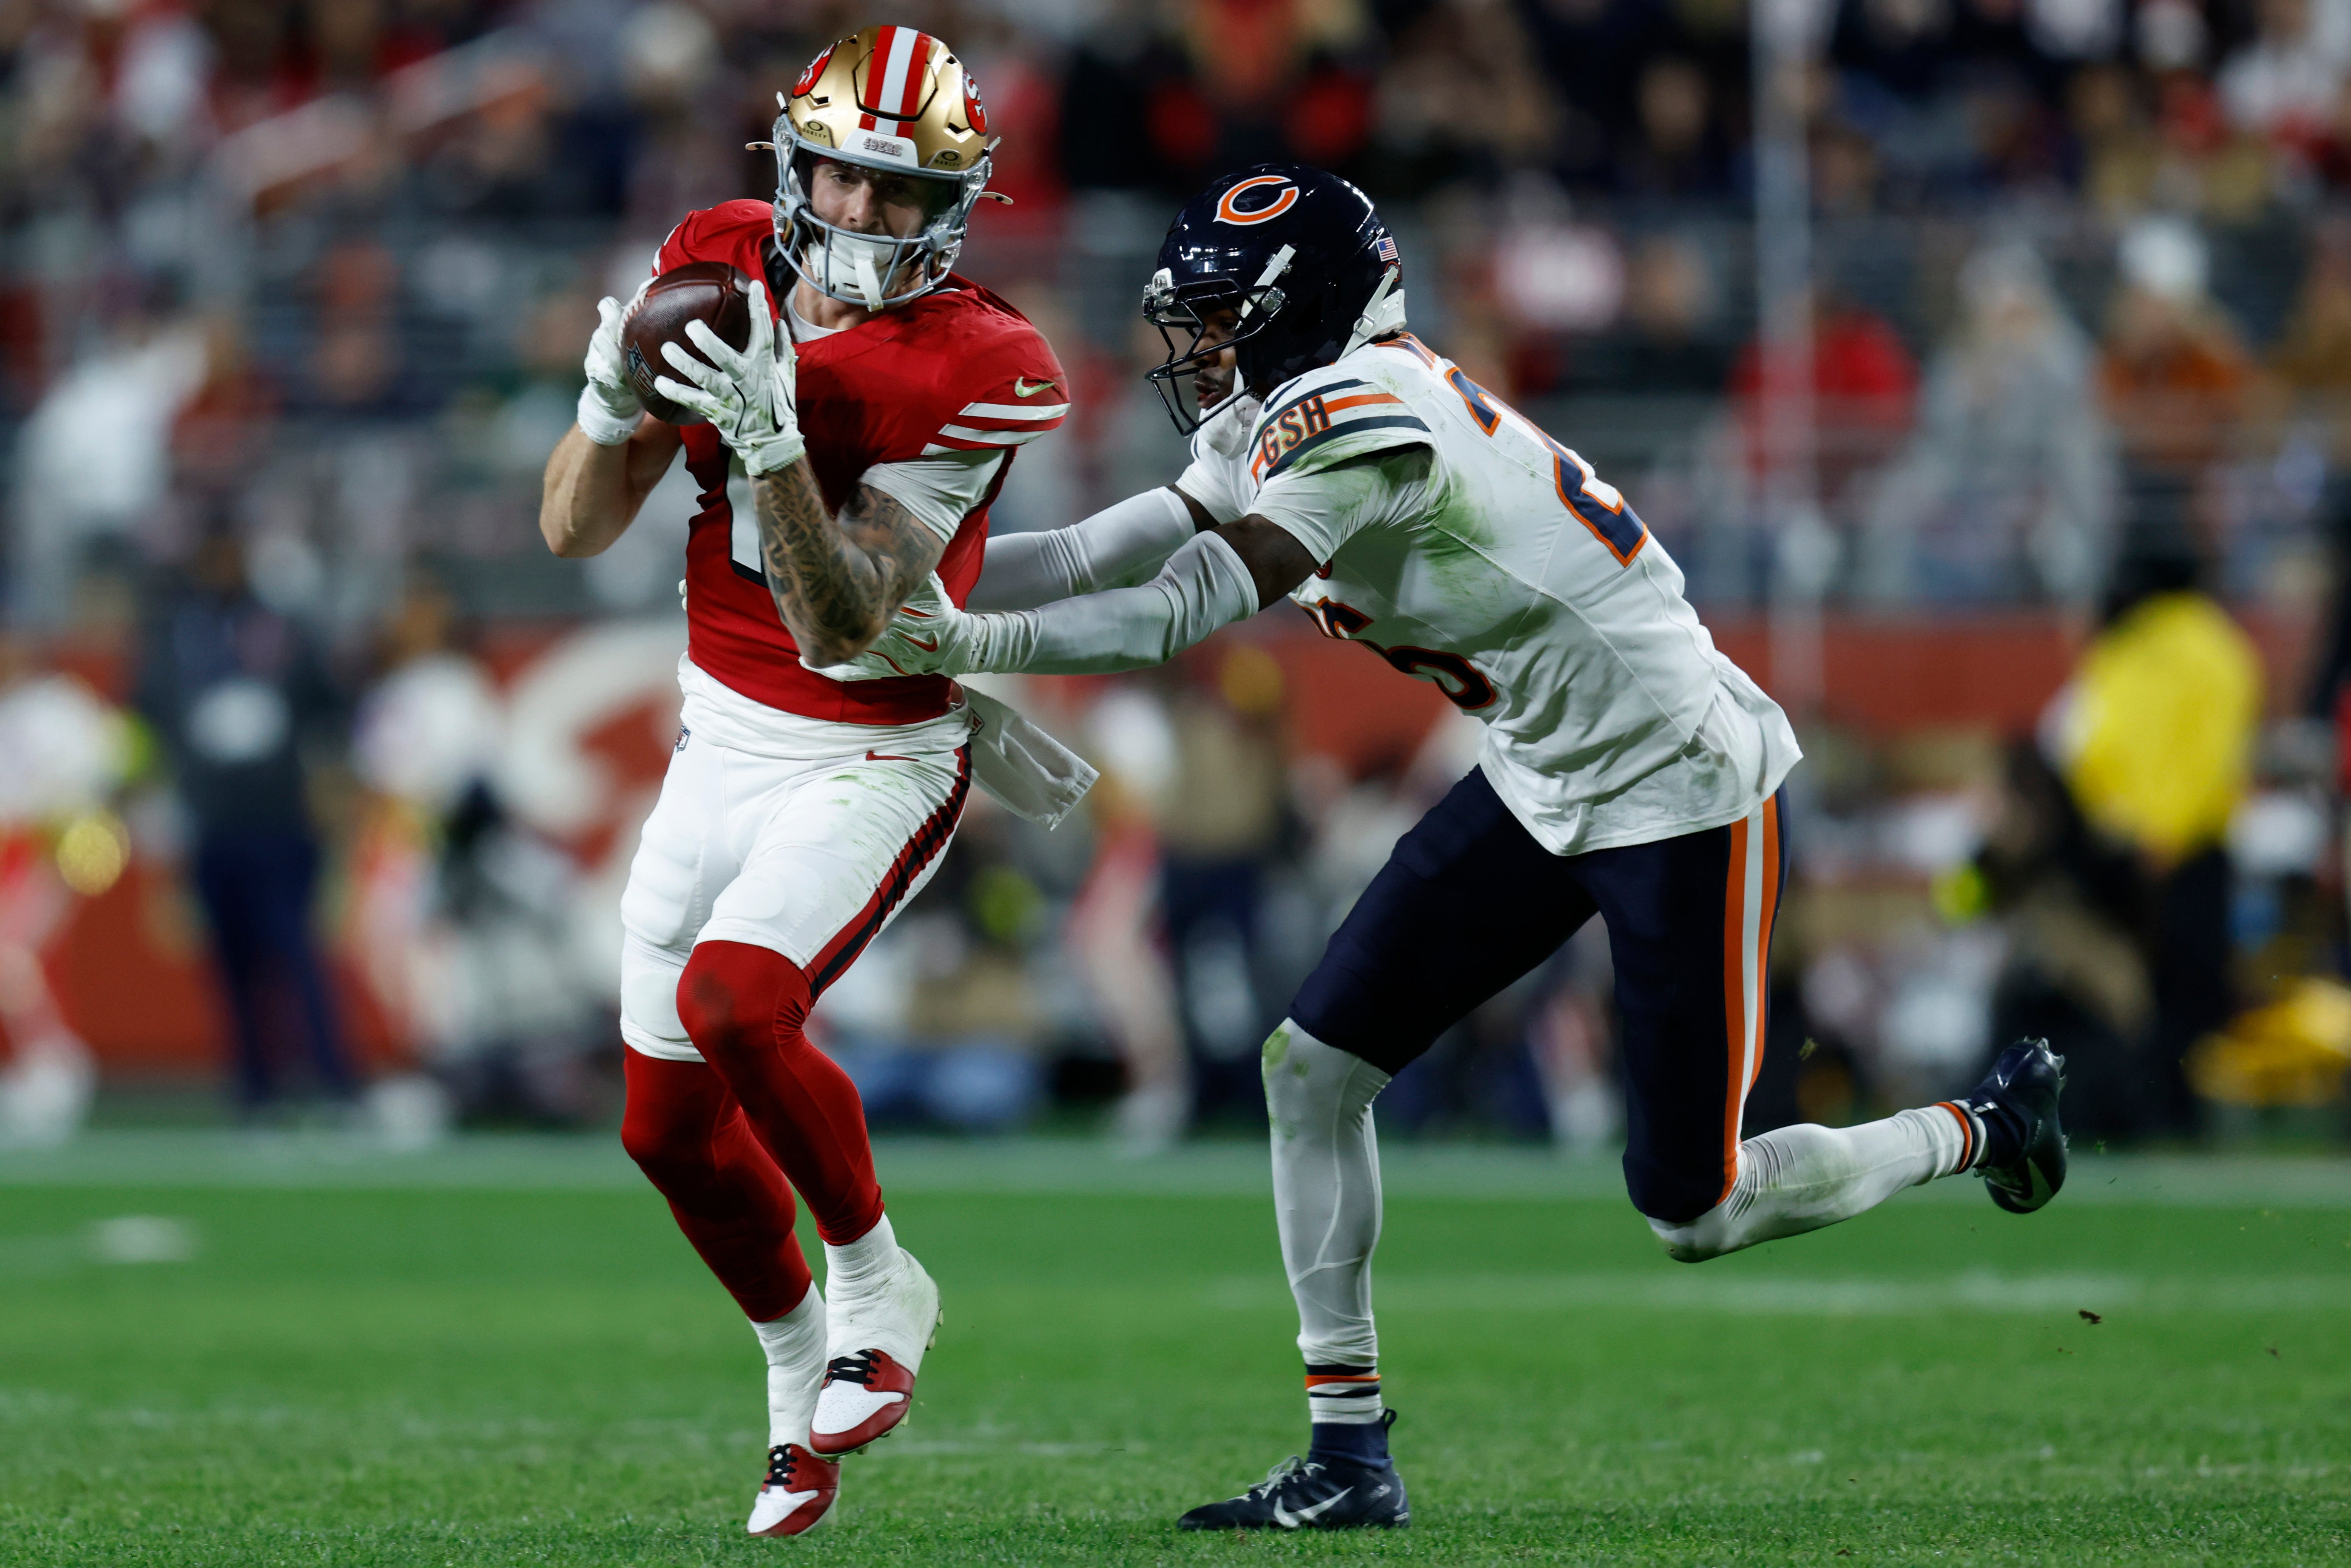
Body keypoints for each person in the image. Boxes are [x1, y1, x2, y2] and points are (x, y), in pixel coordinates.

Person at [839, 165, 2072, 1531]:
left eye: (1221, 316)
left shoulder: (1368, 418)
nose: (1195, 349)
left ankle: (1977, 1128)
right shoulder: (1283, 409)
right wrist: (894, 575)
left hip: (1679, 784)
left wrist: (959, 644)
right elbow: (1085, 556)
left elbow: (1174, 610)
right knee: (1309, 1074)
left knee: (1695, 1209)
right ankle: (1348, 1452)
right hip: (1541, 776)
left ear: (1304, 309)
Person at [537, 23, 1118, 1538]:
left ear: (958, 206)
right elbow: (572, 531)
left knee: (739, 999)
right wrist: (610, 398)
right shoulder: (714, 257)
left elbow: (846, 620)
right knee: (658, 1132)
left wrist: (772, 438)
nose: (860, 218)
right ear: (792, 170)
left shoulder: (989, 360)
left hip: (874, 743)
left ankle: (877, 1277)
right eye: (841, 182)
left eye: (898, 193)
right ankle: (794, 1371)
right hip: (714, 735)